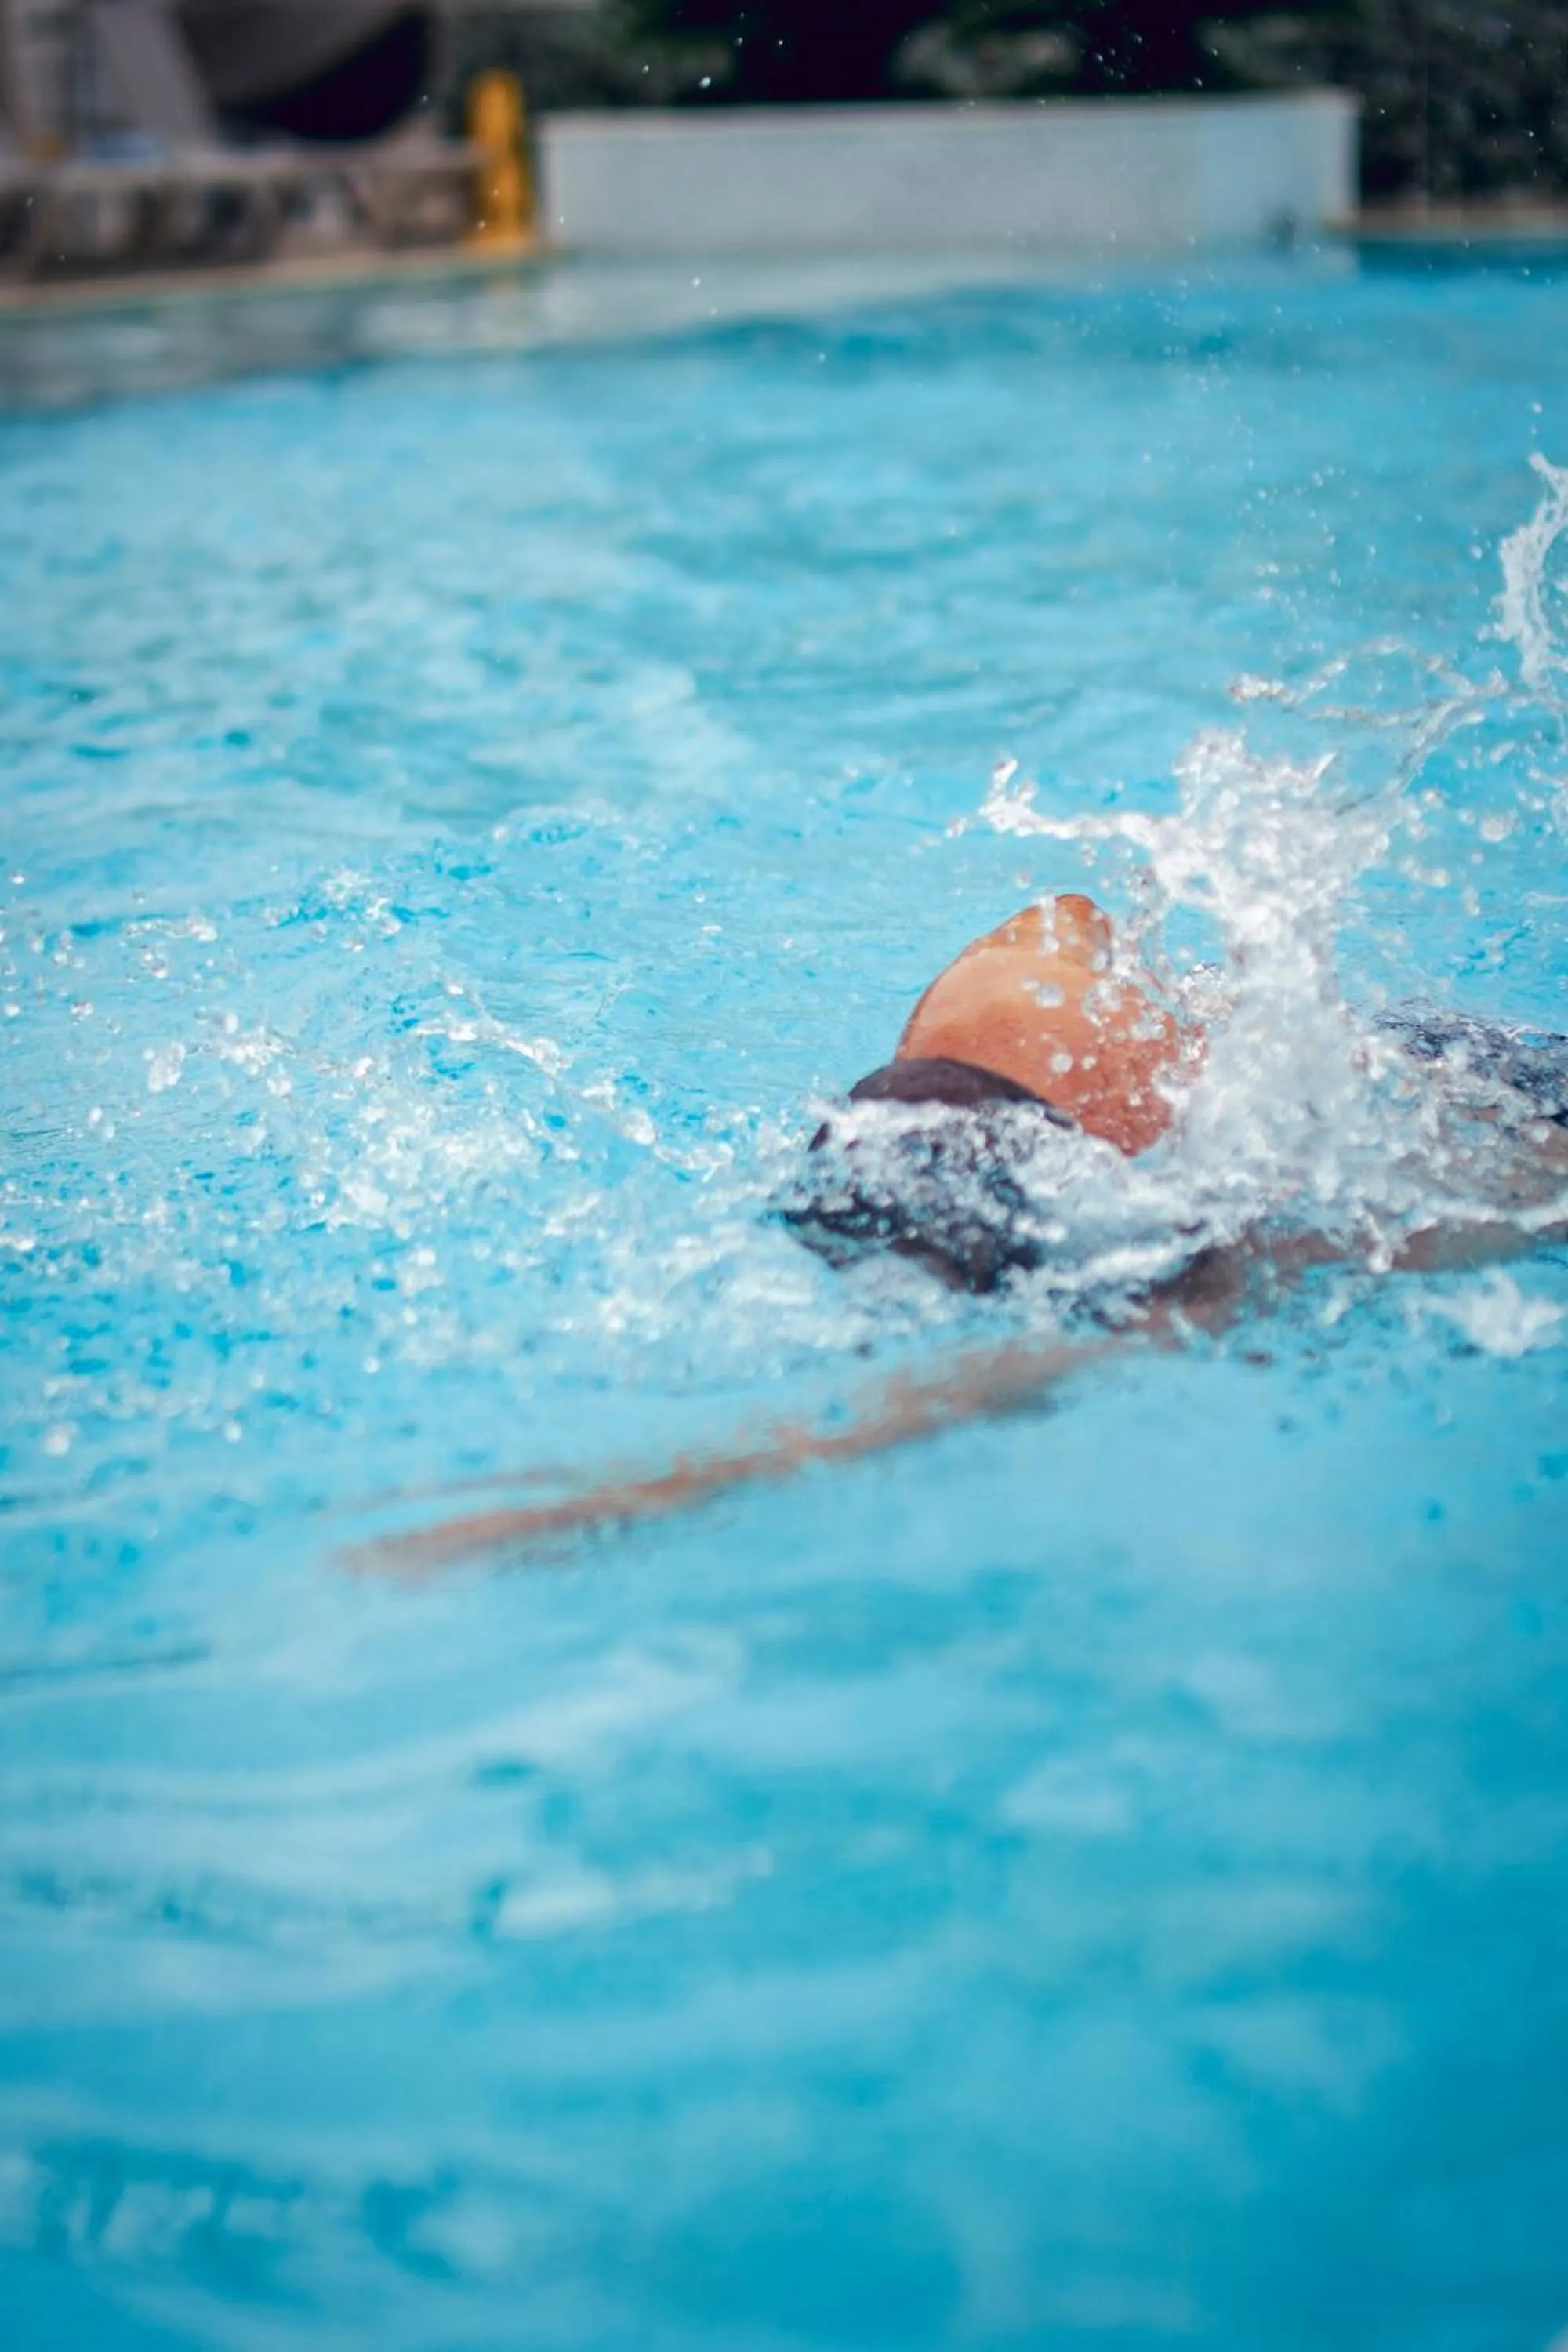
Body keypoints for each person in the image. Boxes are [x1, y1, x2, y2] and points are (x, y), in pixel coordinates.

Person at [353, 894, 1568, 1576]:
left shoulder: (1228, 1235)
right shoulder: (1018, 1008)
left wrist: (572, 1511)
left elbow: (884, 1420)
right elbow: (1080, 914)